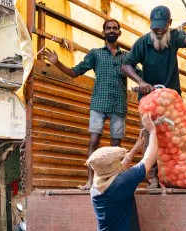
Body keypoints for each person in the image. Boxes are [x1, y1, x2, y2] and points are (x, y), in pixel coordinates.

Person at [42, 19, 142, 190]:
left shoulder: (127, 56)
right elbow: (75, 72)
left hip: (119, 105)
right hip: (98, 104)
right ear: (103, 33)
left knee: (116, 147)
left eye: (115, 28)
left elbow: (140, 75)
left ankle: (113, 181)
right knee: (93, 141)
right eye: (108, 28)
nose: (111, 30)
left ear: (119, 33)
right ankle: (90, 181)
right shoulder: (95, 54)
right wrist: (56, 62)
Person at [122, 5, 186, 188]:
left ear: (169, 23)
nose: (158, 30)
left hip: (172, 98)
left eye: (162, 26)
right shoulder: (142, 42)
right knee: (149, 135)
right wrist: (140, 81)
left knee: (175, 136)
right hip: (149, 100)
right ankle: (153, 178)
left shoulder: (174, 37)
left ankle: (176, 176)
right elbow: (126, 65)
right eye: (154, 26)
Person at [87, 113, 157, 231]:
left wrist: (137, 146)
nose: (122, 162)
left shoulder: (97, 186)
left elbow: (122, 164)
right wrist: (153, 131)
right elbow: (149, 160)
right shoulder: (120, 185)